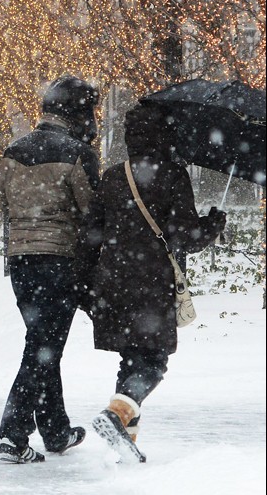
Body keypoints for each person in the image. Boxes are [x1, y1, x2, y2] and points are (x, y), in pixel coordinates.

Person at [81, 104, 225, 463]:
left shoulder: (113, 176)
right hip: (151, 282)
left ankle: (125, 440)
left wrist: (88, 284)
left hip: (112, 280)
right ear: (166, 136)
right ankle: (117, 415)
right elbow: (184, 237)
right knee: (153, 361)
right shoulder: (173, 175)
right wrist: (213, 225)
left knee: (132, 357)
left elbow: (91, 236)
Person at [0, 76, 100, 464]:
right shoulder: (78, 153)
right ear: (79, 112)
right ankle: (14, 434)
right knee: (43, 347)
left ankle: (55, 430)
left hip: (21, 259)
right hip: (60, 260)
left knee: (42, 343)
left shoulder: (12, 151)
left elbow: (1, 200)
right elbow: (91, 212)